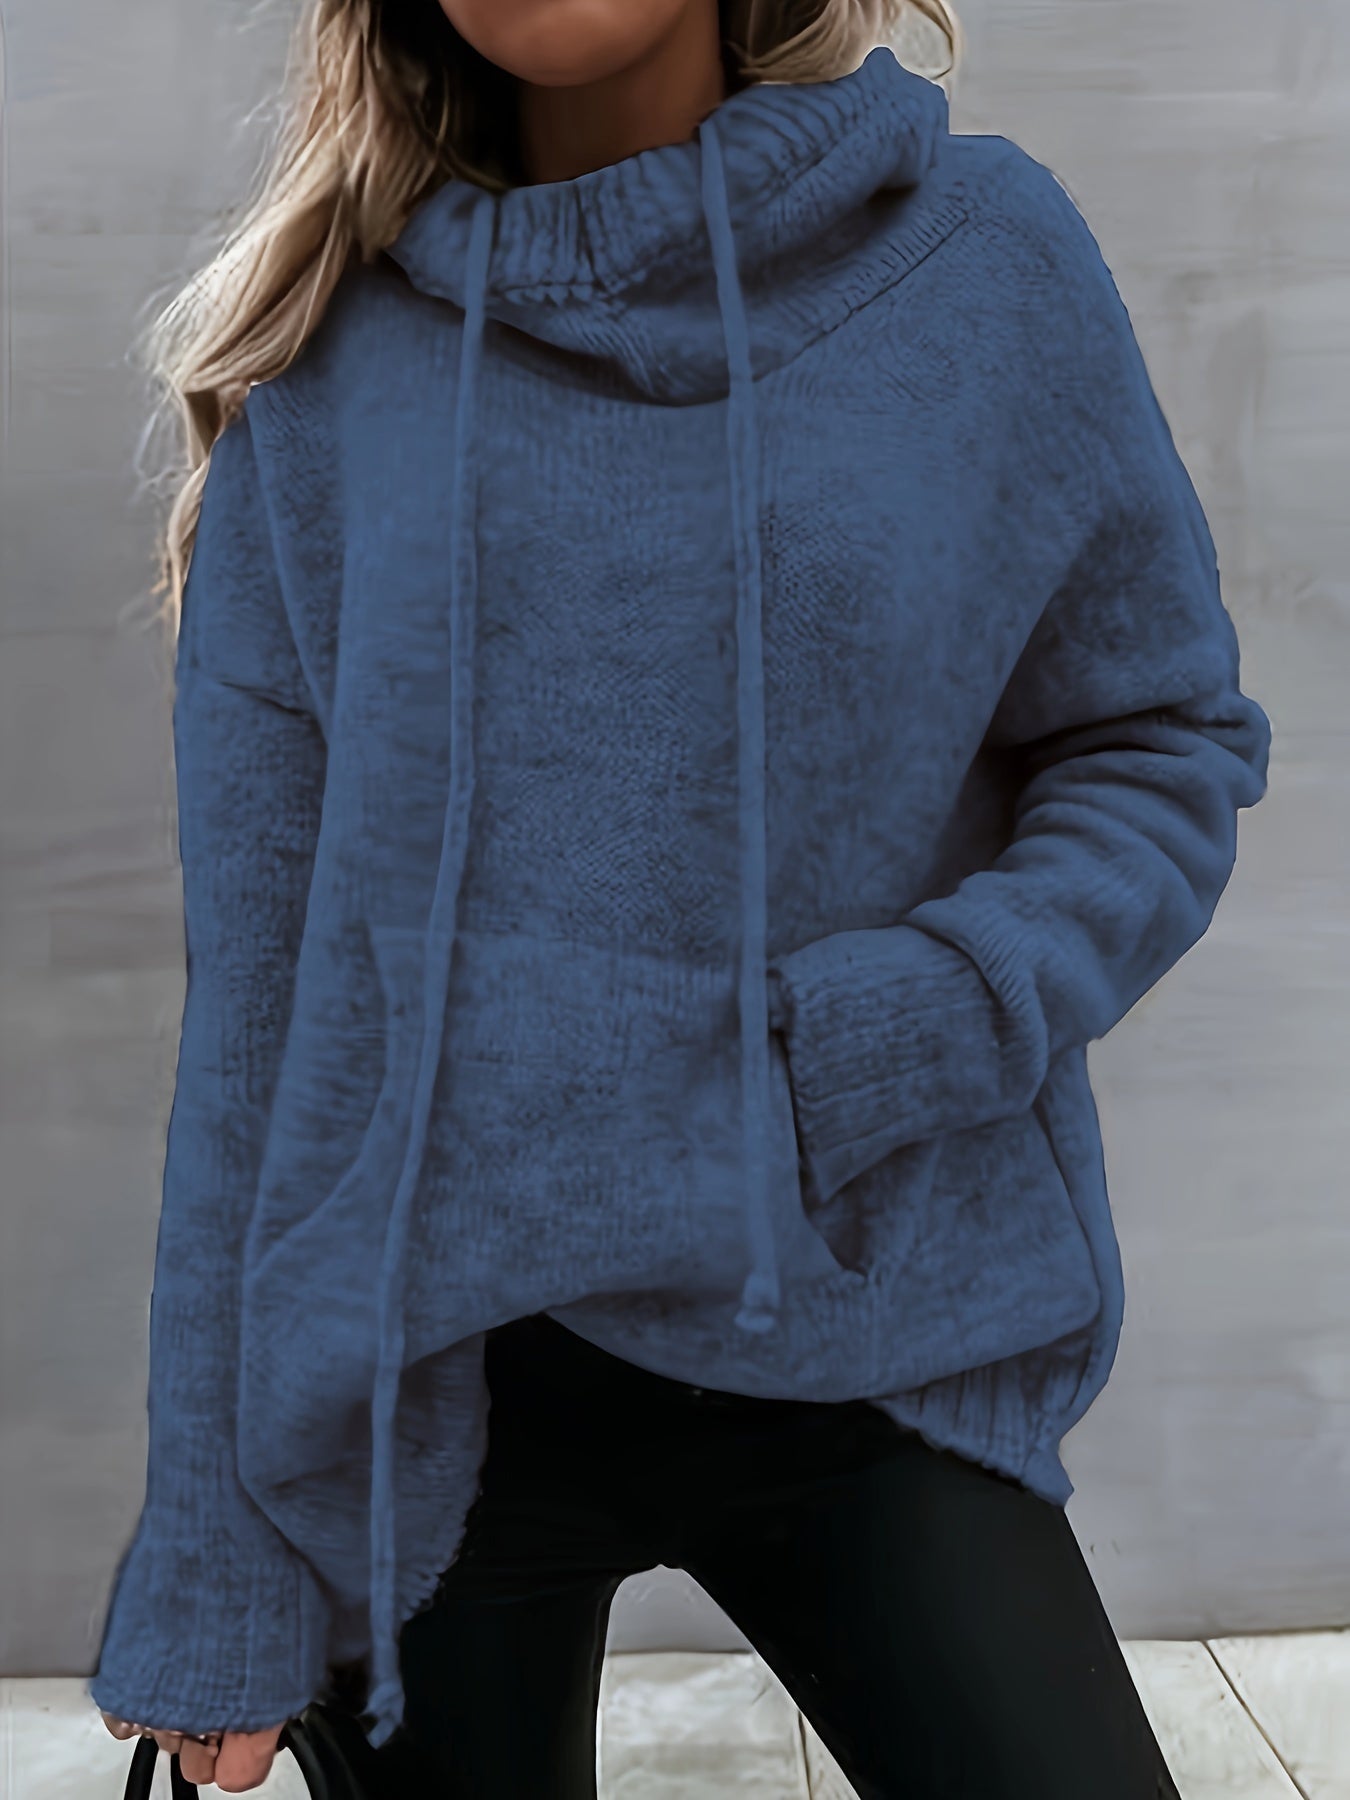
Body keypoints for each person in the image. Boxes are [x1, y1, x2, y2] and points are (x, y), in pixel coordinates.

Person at [89, 0, 1270, 1793]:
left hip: (868, 1337)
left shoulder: (979, 260)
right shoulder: (329, 375)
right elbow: (261, 1014)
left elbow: (1155, 740)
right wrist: (217, 1549)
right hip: (425, 1410)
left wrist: (899, 1030)